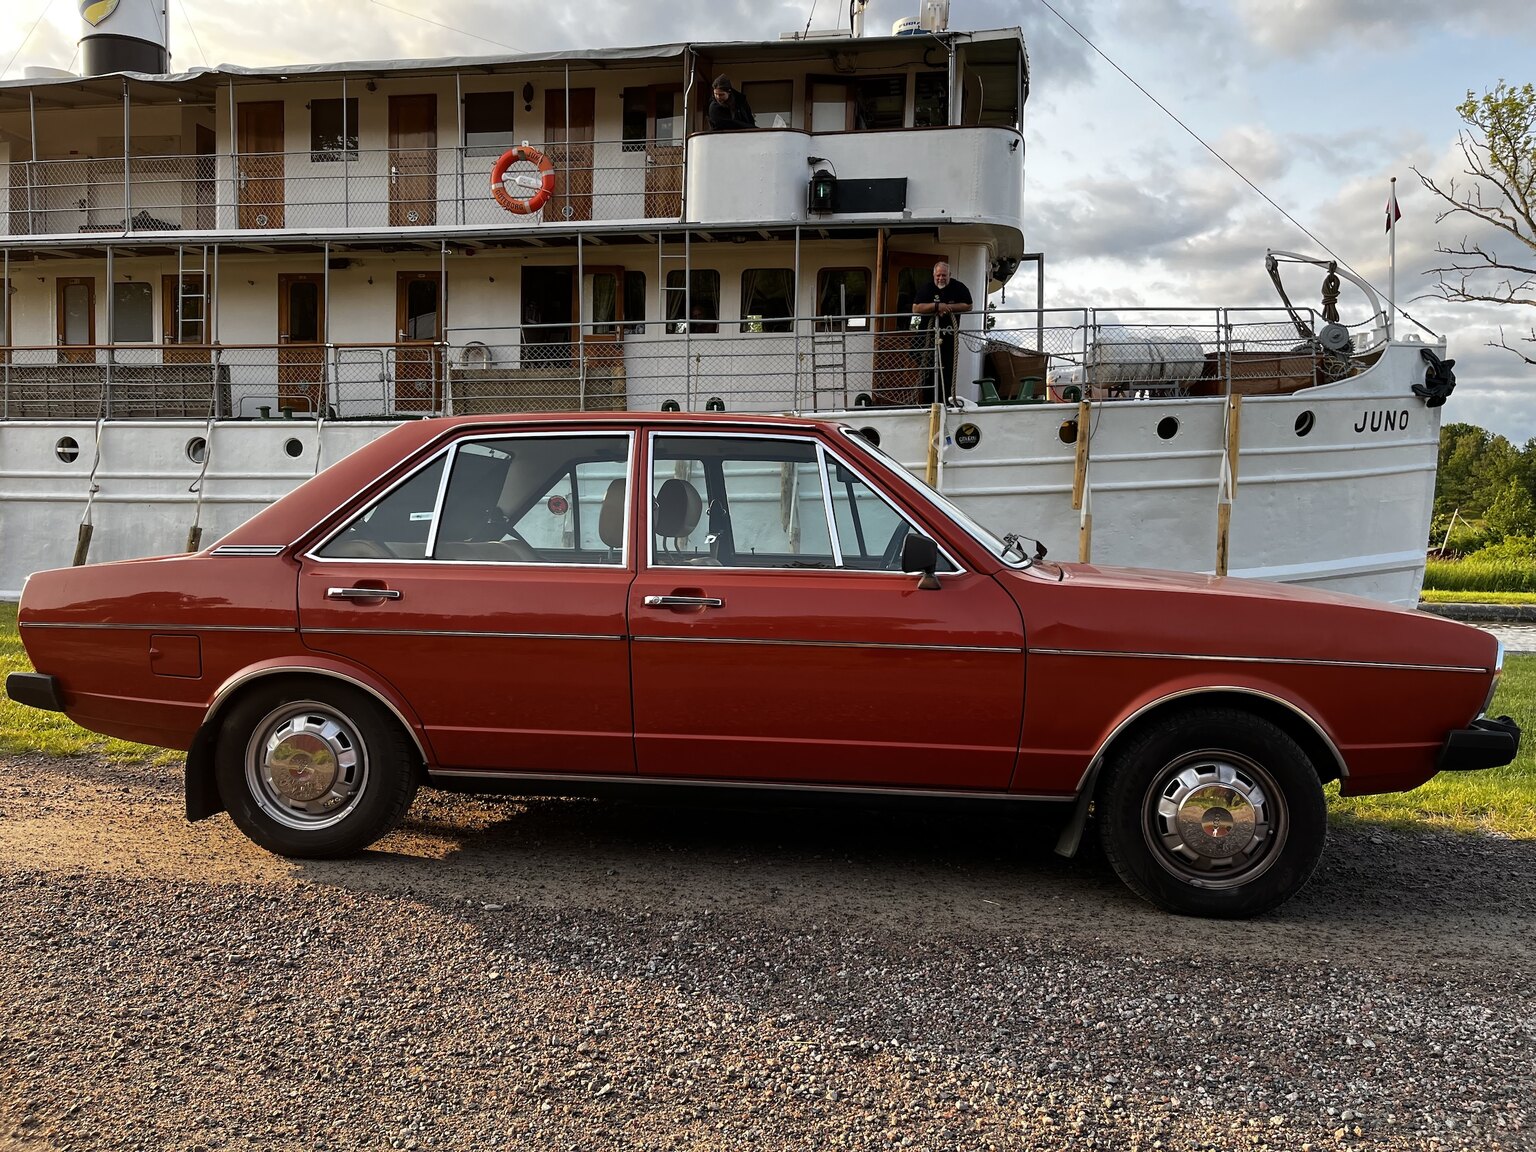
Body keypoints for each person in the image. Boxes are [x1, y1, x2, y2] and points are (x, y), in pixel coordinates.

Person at [911, 261, 973, 403]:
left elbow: (968, 305)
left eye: (944, 275)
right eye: (938, 275)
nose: (941, 278)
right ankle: (928, 406)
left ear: (949, 275)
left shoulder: (959, 287)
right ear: (934, 275)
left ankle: (945, 404)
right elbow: (916, 308)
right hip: (927, 340)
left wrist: (948, 308)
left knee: (947, 373)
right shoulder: (927, 288)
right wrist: (937, 306)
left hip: (949, 339)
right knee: (928, 375)